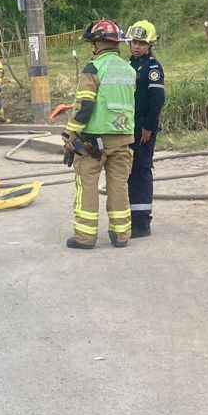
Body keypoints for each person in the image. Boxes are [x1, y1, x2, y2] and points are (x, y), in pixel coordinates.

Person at [62, 19, 137, 249]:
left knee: (87, 185)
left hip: (93, 142)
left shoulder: (93, 69)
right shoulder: (129, 69)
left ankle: (85, 237)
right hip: (123, 138)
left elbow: (85, 106)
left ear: (97, 43)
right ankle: (121, 234)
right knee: (119, 185)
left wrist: (70, 133)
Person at [125, 20, 166, 238]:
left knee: (141, 171)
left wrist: (149, 127)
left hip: (143, 128)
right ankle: (132, 219)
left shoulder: (152, 68)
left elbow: (157, 100)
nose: (136, 46)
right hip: (130, 126)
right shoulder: (131, 64)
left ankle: (142, 224)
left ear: (150, 44)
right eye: (134, 42)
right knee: (130, 172)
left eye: (141, 42)